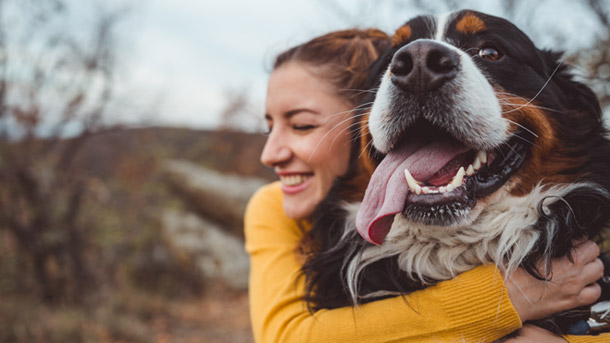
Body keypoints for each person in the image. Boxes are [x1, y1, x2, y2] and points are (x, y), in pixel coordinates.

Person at [245, 28, 609, 343]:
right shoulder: (272, 205)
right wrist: (508, 298)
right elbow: (288, 336)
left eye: (303, 125)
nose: (269, 154)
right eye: (268, 127)